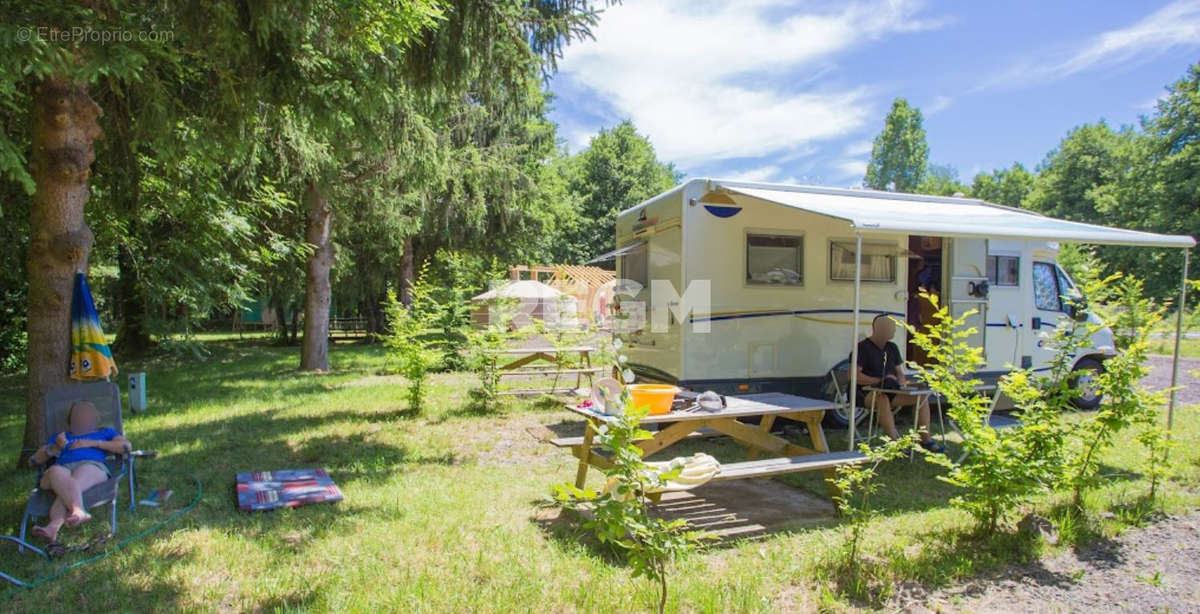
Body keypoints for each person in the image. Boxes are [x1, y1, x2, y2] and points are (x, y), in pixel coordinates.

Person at [27, 400, 131, 542]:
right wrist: (55, 448)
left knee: (72, 483)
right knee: (55, 471)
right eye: (77, 414)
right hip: (62, 469)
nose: (81, 417)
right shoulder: (61, 437)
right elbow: (34, 460)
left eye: (86, 414)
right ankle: (78, 511)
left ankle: (53, 527)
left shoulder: (104, 432)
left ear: (95, 419)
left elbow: (126, 446)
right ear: (71, 420)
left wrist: (93, 443)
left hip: (91, 466)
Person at [853, 314, 945, 453]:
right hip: (864, 393)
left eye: (894, 328)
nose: (893, 331)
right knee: (882, 398)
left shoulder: (892, 348)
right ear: (878, 328)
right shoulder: (862, 348)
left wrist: (900, 383)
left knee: (922, 396)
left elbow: (900, 372)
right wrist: (880, 381)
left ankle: (925, 440)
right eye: (890, 328)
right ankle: (895, 444)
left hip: (891, 390)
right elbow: (854, 375)